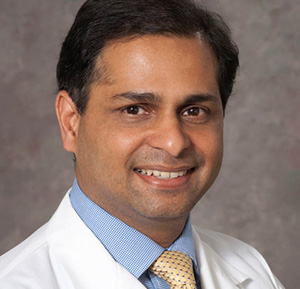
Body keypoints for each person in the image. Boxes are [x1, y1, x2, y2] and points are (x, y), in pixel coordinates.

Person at [0, 0, 285, 288]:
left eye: (194, 111)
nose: (173, 143)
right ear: (71, 122)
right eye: (135, 109)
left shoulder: (255, 271)